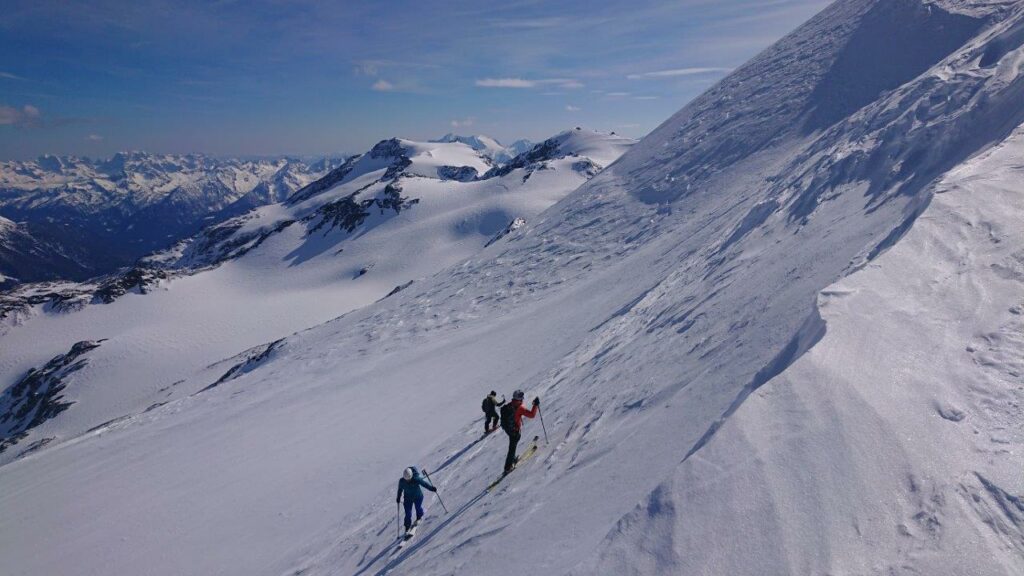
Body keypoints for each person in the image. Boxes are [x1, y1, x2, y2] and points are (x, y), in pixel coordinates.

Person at [500, 390, 539, 474]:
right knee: (512, 448)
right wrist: (535, 405)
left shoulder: (510, 405)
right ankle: (508, 467)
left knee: (512, 446)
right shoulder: (520, 407)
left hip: (509, 430)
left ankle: (512, 459)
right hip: (515, 431)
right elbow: (532, 415)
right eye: (521, 397)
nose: (522, 398)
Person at [396, 466, 437, 534]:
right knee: (408, 513)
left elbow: (424, 484)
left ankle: (419, 517)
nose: (408, 480)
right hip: (407, 499)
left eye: (409, 479)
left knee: (418, 508)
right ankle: (407, 526)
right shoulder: (402, 481)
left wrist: (432, 488)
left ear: (411, 476)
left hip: (418, 496)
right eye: (406, 479)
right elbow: (400, 489)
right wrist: (398, 497)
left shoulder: (416, 479)